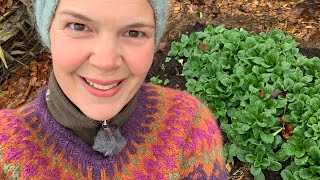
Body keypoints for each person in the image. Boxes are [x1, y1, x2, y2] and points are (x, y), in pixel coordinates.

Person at [0, 0, 227, 179]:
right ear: (48, 32)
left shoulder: (187, 123)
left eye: (134, 33)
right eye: (79, 26)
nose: (106, 61)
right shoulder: (6, 147)